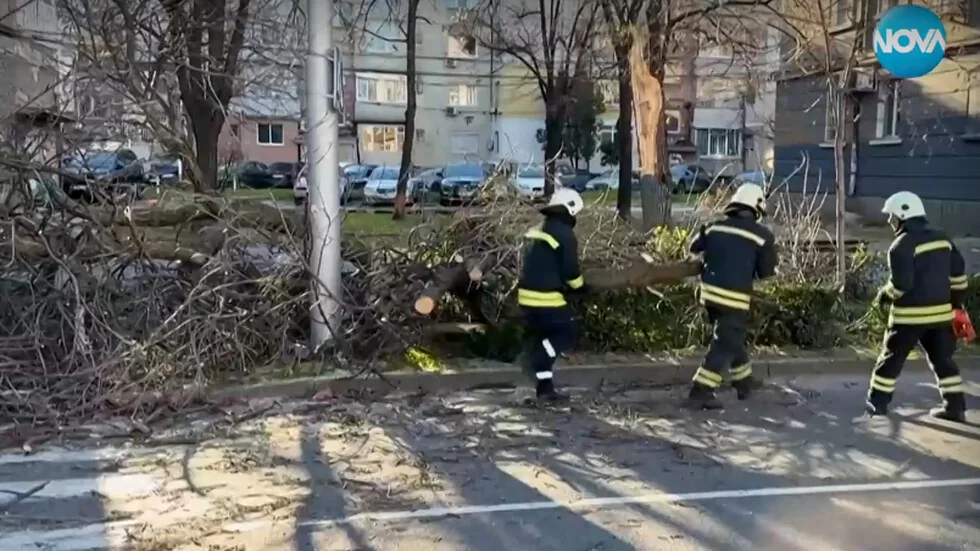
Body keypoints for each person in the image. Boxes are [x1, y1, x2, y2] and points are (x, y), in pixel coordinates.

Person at [861, 191, 969, 423]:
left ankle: (877, 404)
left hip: (908, 320)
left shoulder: (900, 246)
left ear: (903, 215)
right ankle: (955, 407)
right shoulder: (942, 238)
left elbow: (901, 285)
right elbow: (959, 276)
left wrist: (883, 295)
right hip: (941, 317)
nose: (890, 221)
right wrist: (956, 305)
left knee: (891, 361)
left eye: (892, 217)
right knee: (943, 362)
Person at [687, 183, 778, 409]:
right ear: (756, 209)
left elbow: (694, 248)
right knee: (724, 343)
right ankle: (701, 390)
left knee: (731, 338)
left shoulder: (713, 227)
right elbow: (765, 272)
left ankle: (743, 382)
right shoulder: (762, 235)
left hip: (709, 296)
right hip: (735, 298)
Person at [517, 188, 588, 404]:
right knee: (565, 333)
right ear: (570, 209)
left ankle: (545, 389)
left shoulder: (536, 229)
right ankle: (537, 359)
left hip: (526, 297)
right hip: (546, 297)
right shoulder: (564, 234)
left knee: (543, 338)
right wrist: (581, 287)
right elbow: (570, 271)